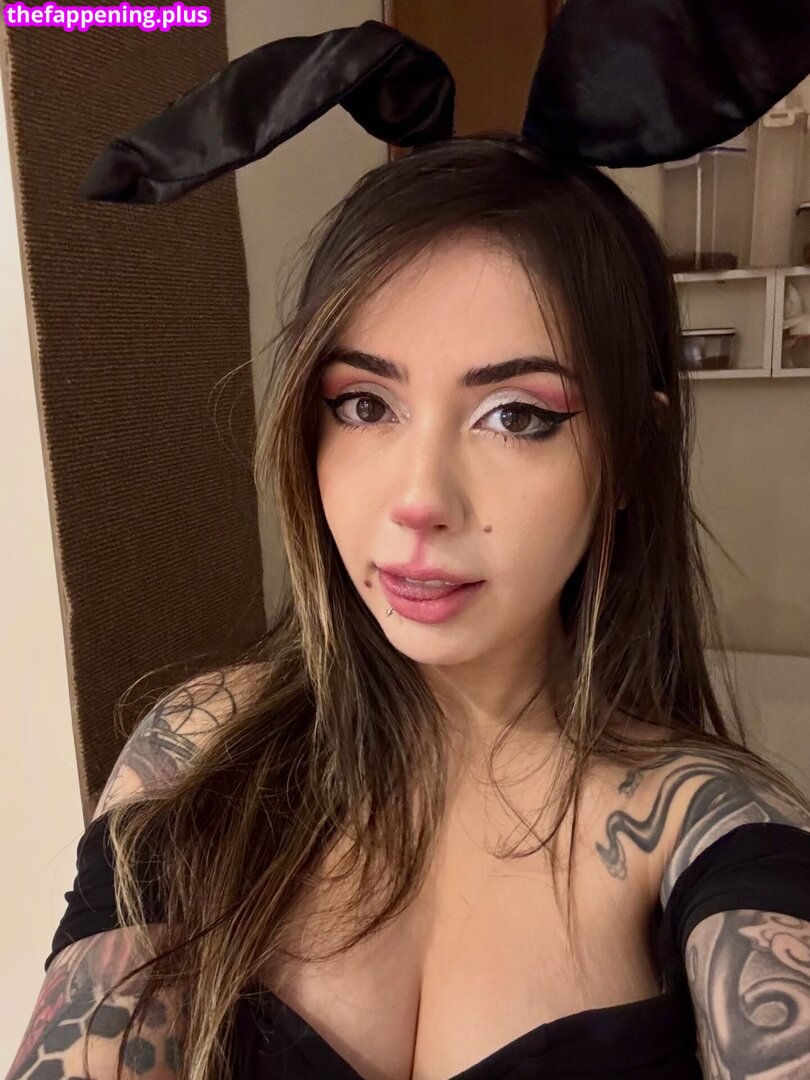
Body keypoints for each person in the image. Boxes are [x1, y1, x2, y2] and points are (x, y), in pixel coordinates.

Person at [8, 7, 810, 1080]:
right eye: (364, 405)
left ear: (629, 454)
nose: (419, 499)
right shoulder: (199, 751)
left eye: (517, 415)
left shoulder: (706, 824)